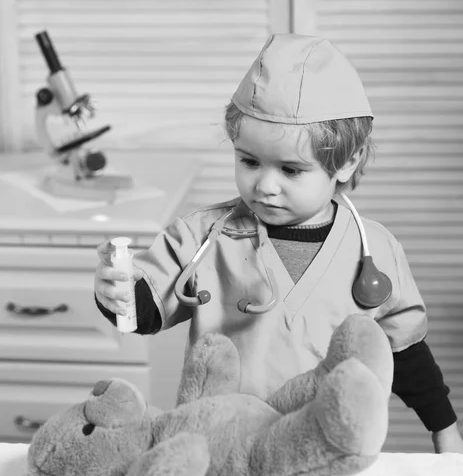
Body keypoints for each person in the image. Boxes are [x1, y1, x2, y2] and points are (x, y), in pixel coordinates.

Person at [94, 34, 463, 454]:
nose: (265, 186)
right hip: (220, 452)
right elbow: (145, 311)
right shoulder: (201, 237)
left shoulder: (375, 251)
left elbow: (405, 350)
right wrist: (118, 293)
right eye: (249, 161)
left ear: (347, 161)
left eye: (290, 169)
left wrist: (443, 427)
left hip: (326, 453)